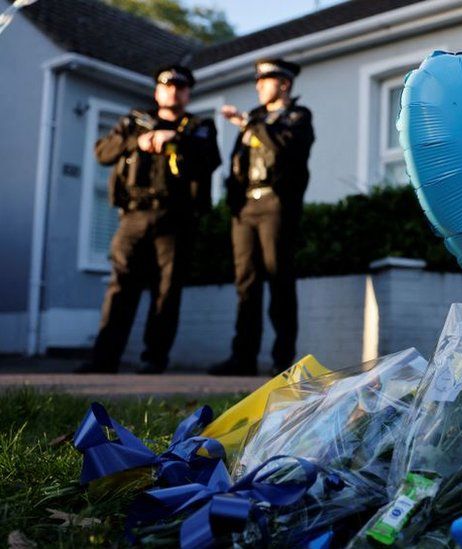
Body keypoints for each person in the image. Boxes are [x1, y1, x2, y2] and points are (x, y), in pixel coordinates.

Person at [77, 65, 221, 374]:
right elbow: (102, 152)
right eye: (166, 85)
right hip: (134, 215)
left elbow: (210, 158)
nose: (173, 90)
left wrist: (175, 139)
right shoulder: (133, 122)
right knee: (121, 286)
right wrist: (136, 143)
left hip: (176, 217)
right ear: (157, 92)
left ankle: (154, 360)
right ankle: (104, 360)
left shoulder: (199, 126)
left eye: (180, 87)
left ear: (187, 93)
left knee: (166, 291)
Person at [209, 58, 315, 376]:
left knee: (279, 278)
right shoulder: (254, 118)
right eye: (257, 79)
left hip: (275, 205)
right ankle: (242, 358)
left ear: (284, 84)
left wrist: (247, 124)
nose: (258, 85)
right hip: (246, 208)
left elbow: (284, 148)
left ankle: (283, 360)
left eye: (265, 79)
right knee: (246, 283)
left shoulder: (298, 116)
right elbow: (237, 162)